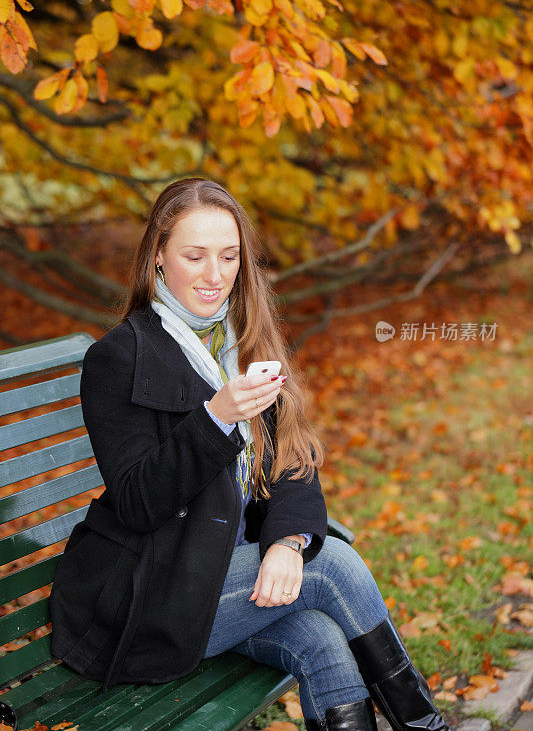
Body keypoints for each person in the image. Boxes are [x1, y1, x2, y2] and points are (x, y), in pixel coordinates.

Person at [49, 178, 451, 731]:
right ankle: (428, 726)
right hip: (149, 594)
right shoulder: (120, 357)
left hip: (226, 576)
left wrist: (287, 541)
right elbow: (139, 501)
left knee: (324, 641)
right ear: (159, 258)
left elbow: (291, 456)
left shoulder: (242, 339)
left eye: (229, 256)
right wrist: (217, 418)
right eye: (195, 256)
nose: (215, 276)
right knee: (331, 564)